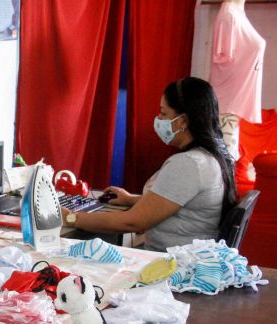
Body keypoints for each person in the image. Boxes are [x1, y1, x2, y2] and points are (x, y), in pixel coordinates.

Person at [61, 77, 237, 252]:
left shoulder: (189, 164)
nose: (158, 119)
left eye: (163, 113)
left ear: (183, 121)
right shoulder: (212, 157)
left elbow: (133, 221)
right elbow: (183, 205)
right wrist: (132, 199)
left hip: (172, 263)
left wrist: (71, 218)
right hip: (184, 258)